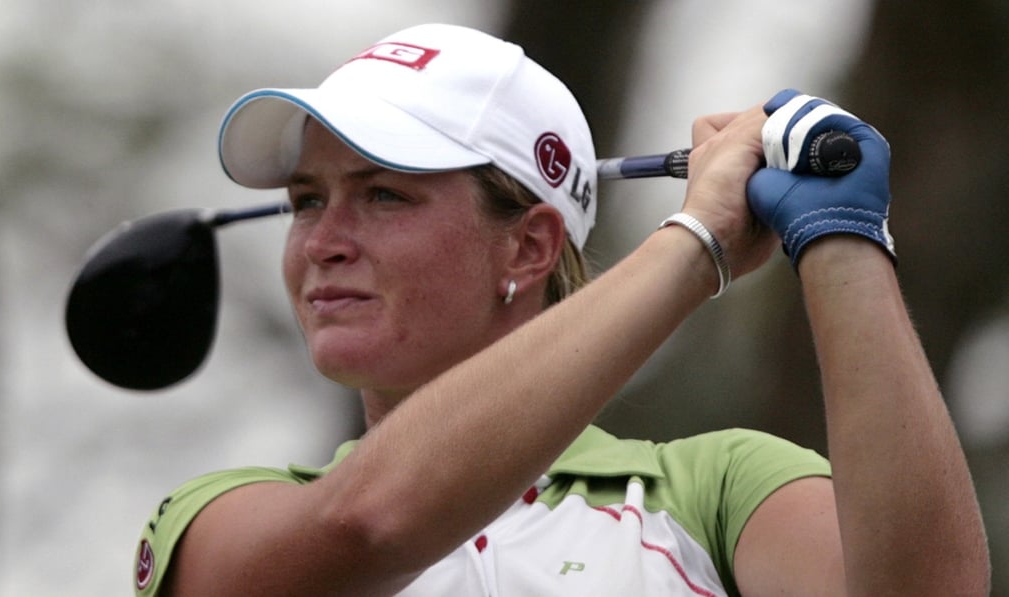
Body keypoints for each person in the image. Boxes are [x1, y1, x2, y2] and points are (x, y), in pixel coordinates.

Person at [133, 23, 990, 596]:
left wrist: (842, 237)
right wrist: (697, 243)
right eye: (307, 200)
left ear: (530, 247)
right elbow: (369, 522)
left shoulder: (713, 490)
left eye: (384, 196)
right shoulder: (223, 514)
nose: (324, 240)